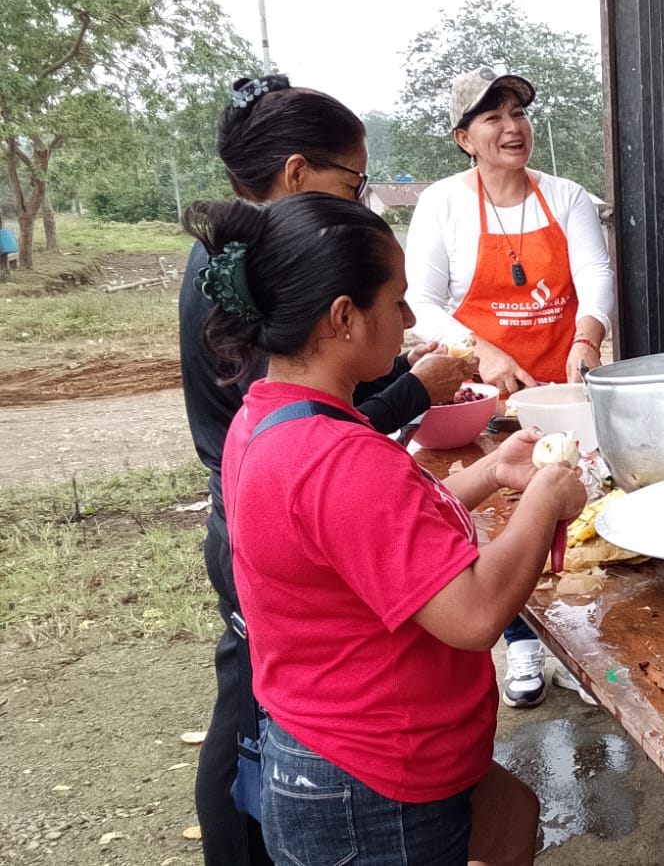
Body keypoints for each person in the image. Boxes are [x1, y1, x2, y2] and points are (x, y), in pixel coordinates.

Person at [189, 191, 587, 865]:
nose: (408, 319)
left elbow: (377, 535)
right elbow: (472, 615)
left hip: (337, 746)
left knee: (511, 818)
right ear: (344, 317)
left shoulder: (269, 417)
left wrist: (492, 473)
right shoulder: (337, 458)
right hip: (369, 786)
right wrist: (545, 499)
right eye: (397, 302)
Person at [178, 75, 474, 866]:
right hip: (360, 774)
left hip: (273, 514)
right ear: (297, 172)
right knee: (248, 718)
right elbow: (330, 451)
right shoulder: (322, 443)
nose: (360, 198)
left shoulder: (267, 310)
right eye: (353, 182)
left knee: (268, 707)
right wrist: (417, 388)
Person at [405, 66, 617, 710]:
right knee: (495, 520)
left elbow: (596, 274)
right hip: (477, 402)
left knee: (572, 513)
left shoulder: (566, 196)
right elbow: (420, 301)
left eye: (518, 112)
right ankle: (520, 639)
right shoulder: (443, 203)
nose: (511, 127)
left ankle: (573, 640)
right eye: (492, 117)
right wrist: (482, 351)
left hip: (558, 391)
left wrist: (587, 340)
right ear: (463, 138)